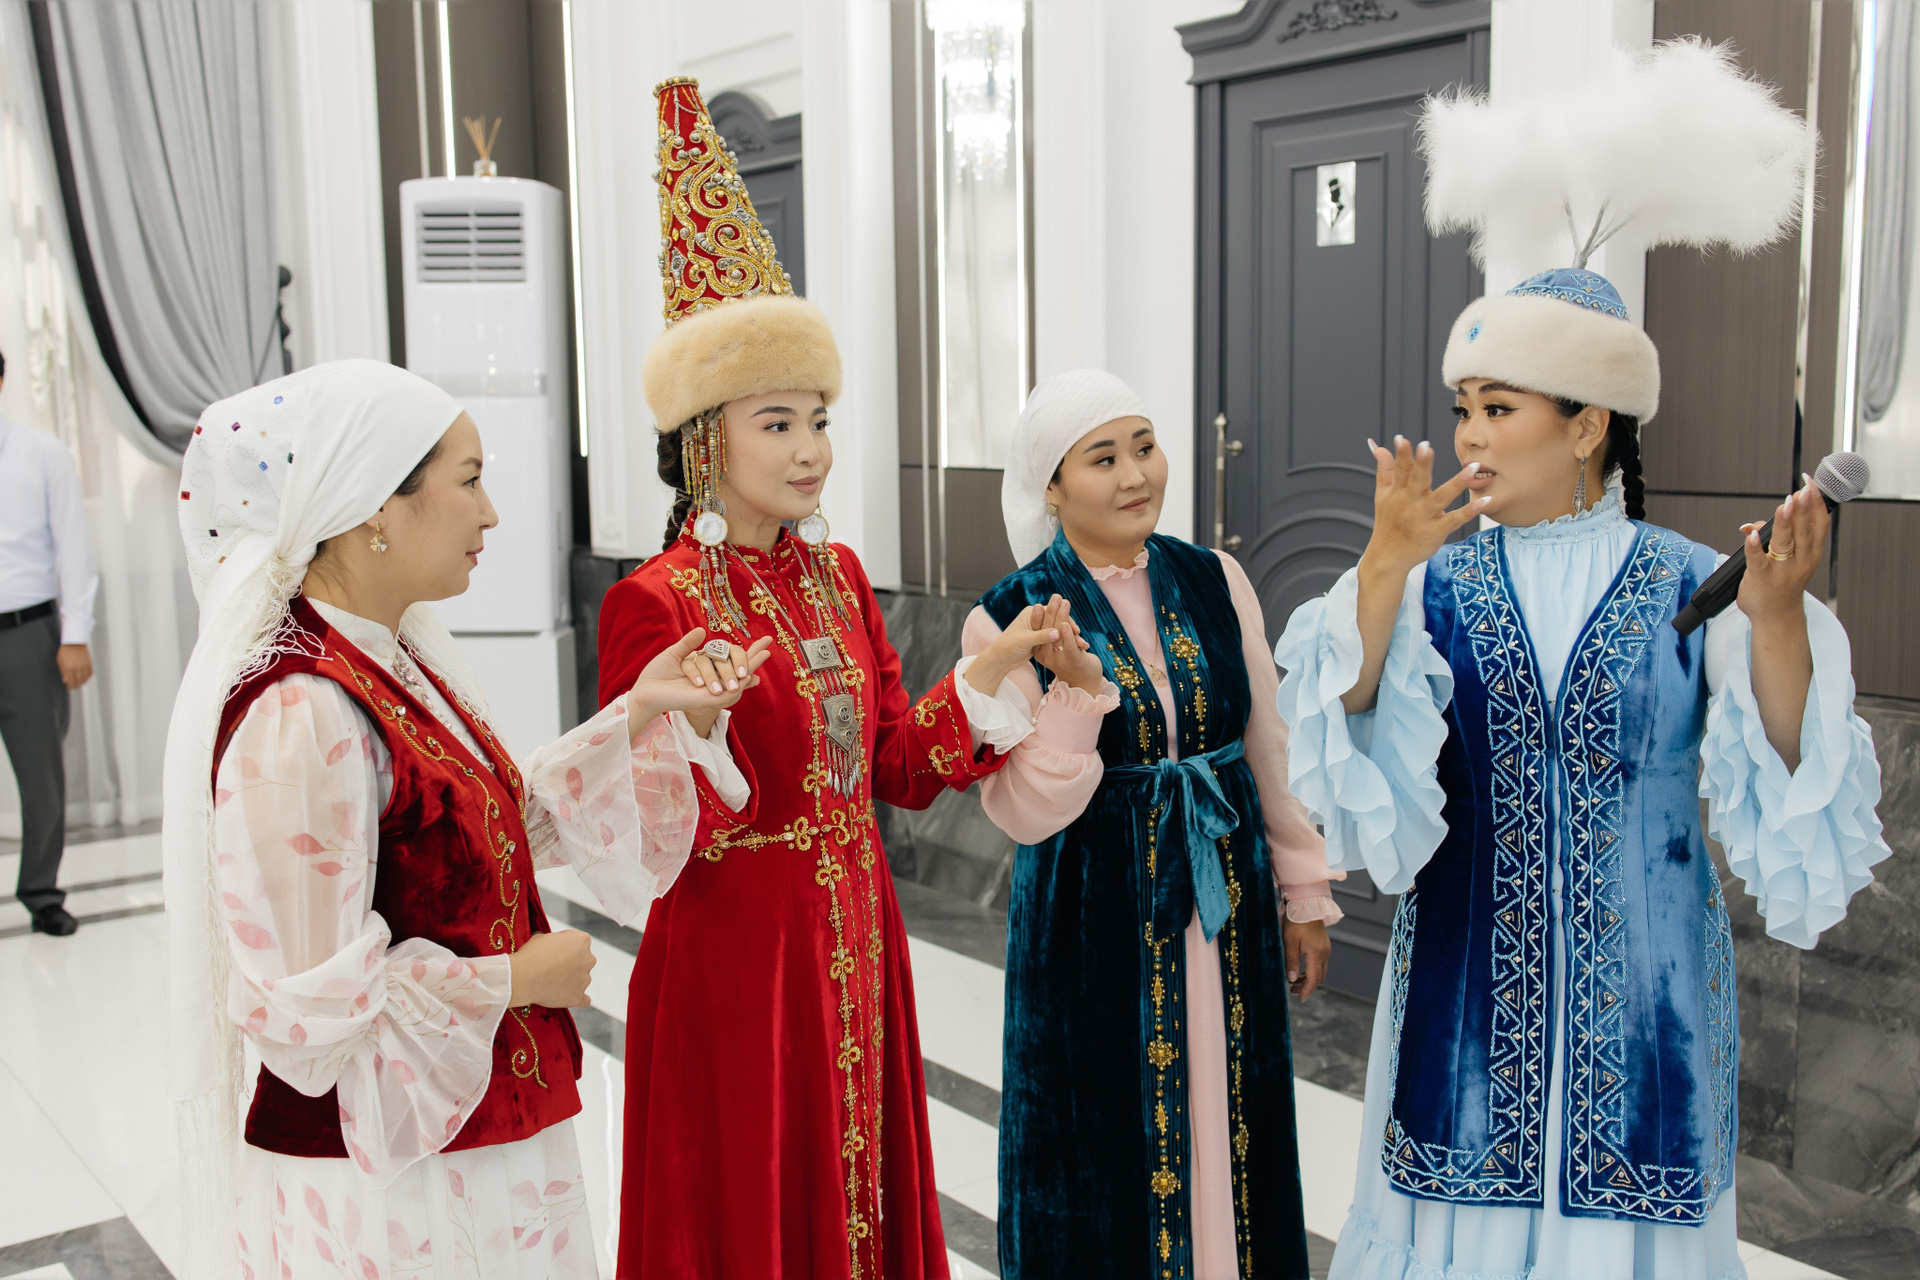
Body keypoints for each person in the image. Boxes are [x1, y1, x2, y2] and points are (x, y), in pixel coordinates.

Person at [1275, 54, 1892, 1274]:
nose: (1469, 436)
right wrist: (1385, 565)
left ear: (1588, 423)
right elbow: (1343, 730)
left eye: (1499, 408)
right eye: (1464, 407)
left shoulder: (1691, 580)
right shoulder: (1436, 578)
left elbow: (1789, 763)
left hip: (1646, 998)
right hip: (1463, 998)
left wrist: (1776, 616)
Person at [595, 77, 1064, 1280]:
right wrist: (691, 734)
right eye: (778, 423)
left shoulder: (837, 576)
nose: (812, 450)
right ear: (705, 434)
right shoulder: (654, 603)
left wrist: (991, 667)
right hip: (734, 965)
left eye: (819, 419)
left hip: (856, 931)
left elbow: (896, 766)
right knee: (749, 1202)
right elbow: (640, 834)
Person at [160, 359, 761, 1279]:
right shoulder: (300, 707)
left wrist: (641, 710)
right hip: (386, 1175)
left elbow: (485, 827)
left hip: (470, 1127)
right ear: (373, 507)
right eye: (470, 481)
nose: (491, 515)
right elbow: (308, 1004)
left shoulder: (389, 660)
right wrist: (515, 978)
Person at [963, 369, 1341, 1279]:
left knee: (1232, 1109)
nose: (1136, 475)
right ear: (1052, 487)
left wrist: (1303, 889)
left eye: (1145, 447)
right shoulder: (1008, 616)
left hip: (1224, 895)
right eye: (1103, 458)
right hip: (1091, 919)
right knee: (1101, 1138)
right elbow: (1022, 809)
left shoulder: (1215, 577)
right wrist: (1076, 697)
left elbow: (1267, 741)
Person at [0, 348, 97, 936]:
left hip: (28, 636)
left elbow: (74, 549)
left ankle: (41, 894)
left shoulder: (42, 454)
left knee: (42, 778)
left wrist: (75, 635)